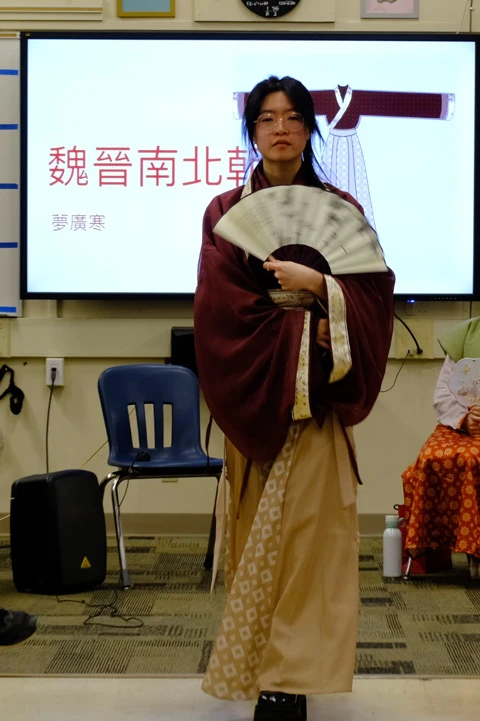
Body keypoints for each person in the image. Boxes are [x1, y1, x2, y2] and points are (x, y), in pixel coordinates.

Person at [194, 76, 395, 720]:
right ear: (251, 131)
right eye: (265, 118)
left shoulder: (342, 208)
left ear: (310, 130)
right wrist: (297, 319)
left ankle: (291, 678)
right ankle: (261, 665)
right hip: (258, 400)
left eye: (293, 118)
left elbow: (373, 294)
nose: (279, 129)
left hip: (319, 408)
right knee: (261, 542)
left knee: (312, 545)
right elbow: (221, 311)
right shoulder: (225, 212)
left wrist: (321, 286)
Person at [402, 317, 480, 579]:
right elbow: (445, 394)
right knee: (432, 458)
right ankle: (435, 550)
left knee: (474, 459)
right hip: (466, 424)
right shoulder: (466, 335)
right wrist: (466, 419)